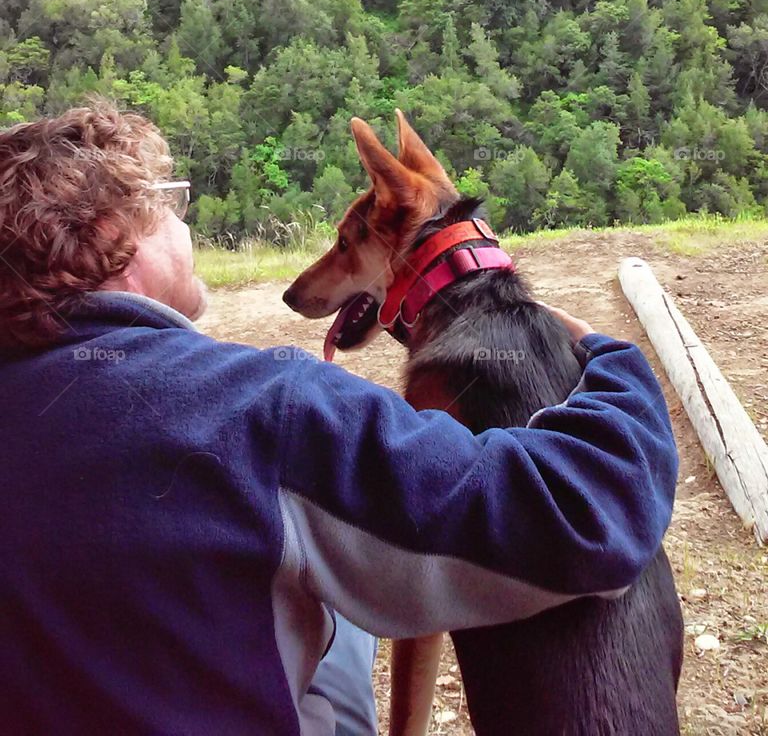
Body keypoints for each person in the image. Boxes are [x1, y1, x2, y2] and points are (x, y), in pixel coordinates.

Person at [0, 103, 678, 736]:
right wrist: (612, 360)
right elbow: (590, 519)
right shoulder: (261, 408)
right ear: (111, 234)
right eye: (169, 206)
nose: (186, 221)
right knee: (334, 578)